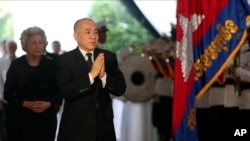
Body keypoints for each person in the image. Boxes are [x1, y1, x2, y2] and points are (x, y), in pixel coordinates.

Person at [56, 18, 126, 141]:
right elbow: (66, 91)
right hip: (76, 128)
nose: (93, 36)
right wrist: (91, 75)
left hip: (104, 128)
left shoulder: (108, 57)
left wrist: (104, 76)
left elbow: (120, 88)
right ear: (76, 36)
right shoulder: (65, 60)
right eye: (88, 32)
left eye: (95, 32)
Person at [3, 26, 58, 141]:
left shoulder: (51, 65)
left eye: (40, 42)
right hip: (22, 121)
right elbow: (7, 94)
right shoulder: (16, 65)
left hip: (46, 120)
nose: (38, 46)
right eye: (33, 43)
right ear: (25, 45)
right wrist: (26, 104)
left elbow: (58, 91)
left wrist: (49, 104)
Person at [0, 39, 17, 141]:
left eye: (13, 47)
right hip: (5, 100)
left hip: (19, 100)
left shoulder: (20, 61)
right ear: (6, 48)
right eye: (9, 47)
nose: (11, 49)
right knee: (6, 125)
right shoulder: (2, 63)